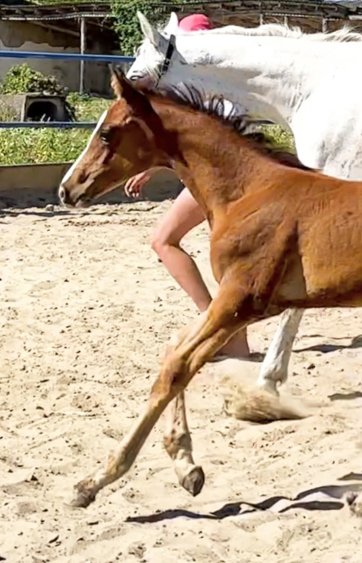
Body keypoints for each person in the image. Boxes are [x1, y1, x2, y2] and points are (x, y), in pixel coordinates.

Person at [124, 13, 250, 358]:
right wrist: (154, 167)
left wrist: (153, 165)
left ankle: (218, 327)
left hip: (218, 181)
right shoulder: (222, 88)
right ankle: (226, 331)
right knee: (219, 259)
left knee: (166, 240)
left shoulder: (203, 94)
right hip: (221, 179)